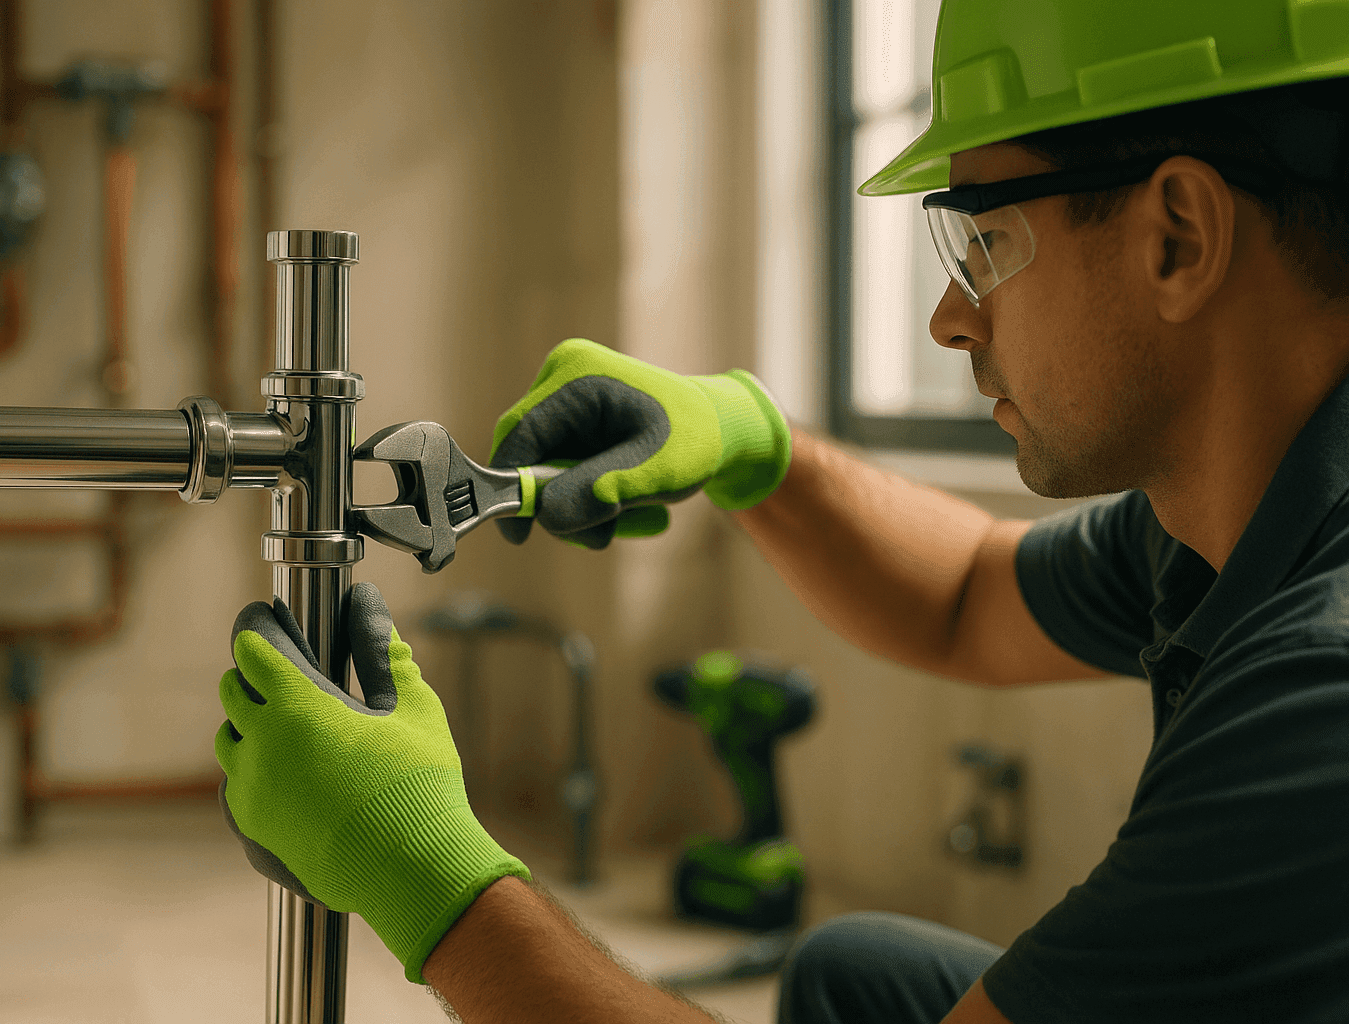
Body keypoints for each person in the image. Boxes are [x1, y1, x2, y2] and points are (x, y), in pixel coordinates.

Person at [213, 1, 1349, 1020]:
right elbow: (967, 594)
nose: (954, 317)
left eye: (988, 240)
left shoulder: (1320, 702)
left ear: (1178, 238)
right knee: (855, 975)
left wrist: (422, 869)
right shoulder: (1237, 512)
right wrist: (744, 443)